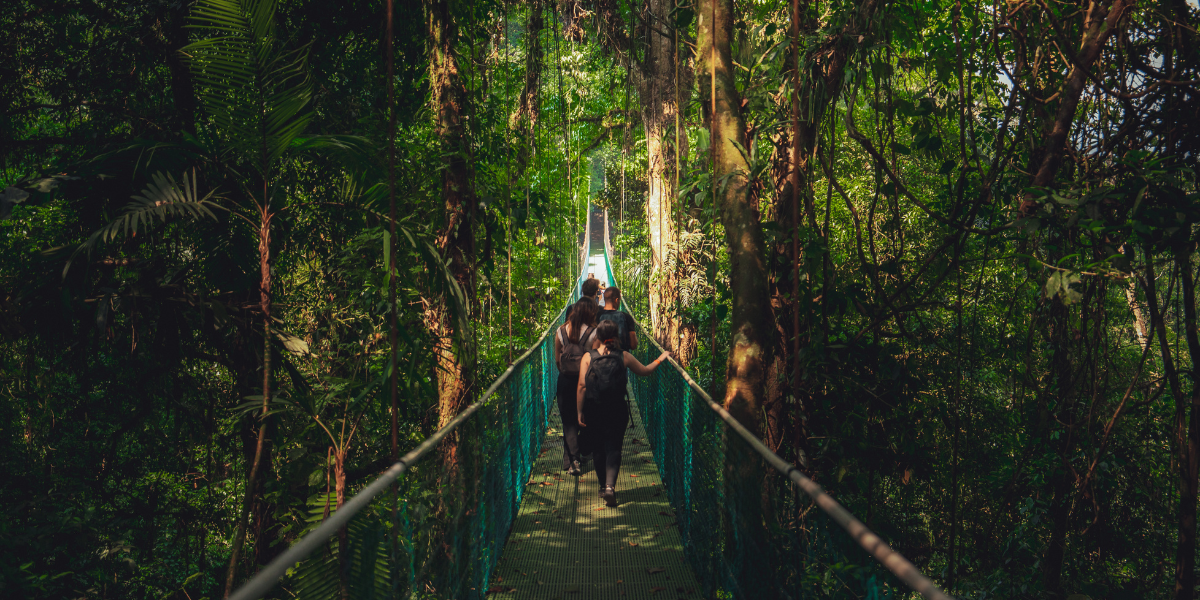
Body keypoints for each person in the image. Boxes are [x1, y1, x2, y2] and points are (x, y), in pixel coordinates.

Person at [576, 320, 669, 506]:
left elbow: (581, 386)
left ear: (598, 337)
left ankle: (603, 487)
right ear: (616, 335)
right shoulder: (623, 356)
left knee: (598, 448)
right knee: (614, 447)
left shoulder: (588, 357)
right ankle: (611, 487)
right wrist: (661, 358)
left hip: (594, 408)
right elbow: (644, 371)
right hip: (617, 408)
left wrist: (579, 411)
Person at [554, 298, 599, 476]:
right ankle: (582, 451)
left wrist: (566, 371)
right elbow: (594, 360)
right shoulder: (594, 333)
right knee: (587, 418)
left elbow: (558, 359)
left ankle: (572, 460)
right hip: (587, 382)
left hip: (564, 380)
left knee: (569, 421)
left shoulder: (560, 330)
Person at [596, 287, 637, 351]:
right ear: (616, 300)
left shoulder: (596, 316)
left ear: (604, 299)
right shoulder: (627, 317)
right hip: (622, 357)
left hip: (602, 357)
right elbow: (633, 345)